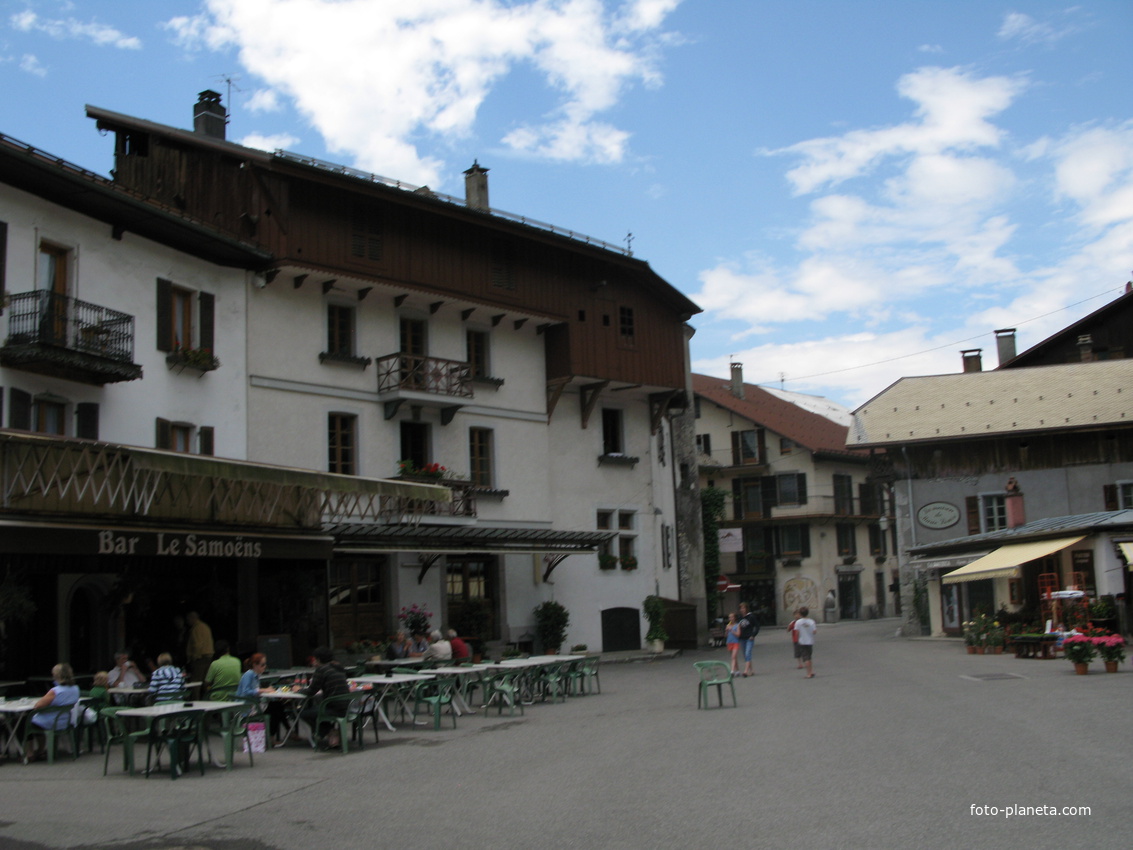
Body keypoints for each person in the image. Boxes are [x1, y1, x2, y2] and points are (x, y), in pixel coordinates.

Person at [24, 663, 81, 762]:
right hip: (65, 721)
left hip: (50, 722)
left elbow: (38, 705)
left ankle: (30, 752)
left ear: (57, 675)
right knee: (35, 721)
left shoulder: (55, 691)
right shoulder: (75, 689)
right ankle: (40, 750)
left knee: (24, 721)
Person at [297, 646, 350, 749]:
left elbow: (311, 691)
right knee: (318, 705)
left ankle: (329, 731)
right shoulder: (339, 668)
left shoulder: (321, 670)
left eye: (315, 659)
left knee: (303, 713)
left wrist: (298, 689)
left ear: (318, 659)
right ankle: (330, 733)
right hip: (346, 707)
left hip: (334, 708)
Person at [237, 653, 285, 745]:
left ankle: (280, 733)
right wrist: (263, 690)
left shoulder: (256, 675)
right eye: (262, 665)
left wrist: (264, 691)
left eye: (265, 664)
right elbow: (246, 691)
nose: (264, 667)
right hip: (246, 707)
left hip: (253, 704)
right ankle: (271, 737)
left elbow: (256, 691)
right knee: (276, 708)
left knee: (278, 706)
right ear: (255, 665)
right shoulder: (249, 674)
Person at [185, 611, 214, 686]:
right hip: (208, 657)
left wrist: (194, 657)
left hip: (200, 658)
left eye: (188, 620)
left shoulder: (196, 628)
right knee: (206, 681)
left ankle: (196, 698)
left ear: (193, 618)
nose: (187, 622)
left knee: (196, 682)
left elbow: (197, 644)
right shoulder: (205, 626)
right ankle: (207, 697)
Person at [737, 602, 759, 677]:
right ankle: (751, 670)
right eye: (741, 608)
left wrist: (753, 635)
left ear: (746, 608)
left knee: (747, 653)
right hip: (742, 638)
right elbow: (737, 626)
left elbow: (757, 626)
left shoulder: (751, 616)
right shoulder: (740, 617)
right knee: (746, 655)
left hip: (749, 638)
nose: (742, 610)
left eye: (743, 608)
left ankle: (745, 671)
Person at [795, 606, 817, 678]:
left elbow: (797, 632)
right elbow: (814, 632)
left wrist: (797, 639)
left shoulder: (798, 622)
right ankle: (811, 671)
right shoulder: (811, 621)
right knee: (809, 657)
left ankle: (809, 673)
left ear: (800, 614)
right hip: (810, 641)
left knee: (806, 658)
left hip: (802, 641)